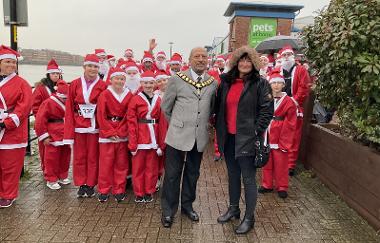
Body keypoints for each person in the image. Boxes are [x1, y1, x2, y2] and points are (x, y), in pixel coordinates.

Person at [214, 45, 273, 234]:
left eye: (248, 60)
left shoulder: (260, 83)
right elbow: (218, 107)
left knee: (248, 178)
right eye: (242, 60)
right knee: (232, 175)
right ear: (236, 62)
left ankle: (249, 217)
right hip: (229, 138)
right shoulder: (226, 82)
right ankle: (233, 209)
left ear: (254, 63)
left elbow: (266, 111)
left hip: (247, 139)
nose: (245, 63)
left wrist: (255, 132)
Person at [160, 47, 218, 228]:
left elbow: (213, 109)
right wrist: (178, 124)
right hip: (177, 135)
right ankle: (168, 211)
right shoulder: (177, 79)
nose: (201, 59)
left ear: (208, 60)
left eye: (204, 56)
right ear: (190, 59)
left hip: (199, 137)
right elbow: (166, 108)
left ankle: (187, 206)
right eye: (197, 56)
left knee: (192, 174)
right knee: (171, 175)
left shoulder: (212, 83)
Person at [63, 54, 107, 198]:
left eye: (95, 66)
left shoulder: (103, 85)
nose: (92, 69)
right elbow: (69, 107)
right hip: (79, 124)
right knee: (79, 157)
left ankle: (90, 184)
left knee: (93, 156)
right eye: (90, 66)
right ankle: (81, 183)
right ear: (84, 67)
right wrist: (68, 132)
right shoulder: (75, 84)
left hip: (95, 125)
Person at [0, 45, 32, 208]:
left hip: (13, 131)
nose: (12, 65)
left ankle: (8, 194)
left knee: (10, 166)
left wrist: (6, 123)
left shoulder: (22, 84)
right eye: (7, 62)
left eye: (14, 63)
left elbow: (24, 107)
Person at [97, 67, 133, 203]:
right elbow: (101, 115)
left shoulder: (129, 95)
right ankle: (104, 190)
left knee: (121, 164)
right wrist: (110, 132)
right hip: (107, 134)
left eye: (122, 79)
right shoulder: (104, 94)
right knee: (105, 164)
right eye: (117, 78)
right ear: (111, 80)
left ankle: (119, 189)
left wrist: (121, 131)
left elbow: (129, 115)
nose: (119, 81)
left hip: (122, 134)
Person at [259, 69, 297, 199]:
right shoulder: (265, 98)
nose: (276, 85)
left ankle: (282, 186)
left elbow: (291, 122)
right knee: (267, 161)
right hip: (267, 134)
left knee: (281, 163)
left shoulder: (289, 102)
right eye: (273, 83)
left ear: (283, 85)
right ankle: (267, 184)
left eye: (278, 83)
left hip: (280, 135)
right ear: (269, 85)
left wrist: (284, 139)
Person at [127, 71, 163, 203]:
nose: (148, 85)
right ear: (141, 83)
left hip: (154, 136)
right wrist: (133, 143)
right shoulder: (135, 99)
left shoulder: (158, 99)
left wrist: (160, 143)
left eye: (151, 83)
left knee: (151, 168)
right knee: (138, 168)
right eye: (146, 82)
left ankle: (149, 191)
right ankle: (139, 192)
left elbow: (162, 121)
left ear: (154, 84)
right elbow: (131, 121)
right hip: (140, 136)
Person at [279, 45, 311, 176]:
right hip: (280, 106)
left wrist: (294, 101)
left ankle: (290, 164)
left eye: (288, 54)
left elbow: (304, 87)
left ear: (293, 56)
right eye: (284, 55)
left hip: (294, 106)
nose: (286, 57)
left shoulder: (301, 70)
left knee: (294, 136)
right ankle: (279, 161)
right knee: (279, 134)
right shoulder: (278, 70)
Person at [35, 80, 71, 190]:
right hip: (52, 133)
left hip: (65, 133)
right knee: (51, 158)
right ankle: (51, 179)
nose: (65, 100)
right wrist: (44, 136)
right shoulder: (48, 102)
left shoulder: (69, 102)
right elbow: (40, 120)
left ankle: (62, 175)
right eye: (64, 98)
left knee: (65, 155)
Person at [32, 59, 62, 172]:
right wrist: (41, 120)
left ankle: (57, 170)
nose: (55, 75)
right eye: (53, 74)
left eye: (57, 74)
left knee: (58, 150)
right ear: (48, 74)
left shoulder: (61, 87)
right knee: (45, 149)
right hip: (44, 124)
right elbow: (35, 107)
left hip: (58, 124)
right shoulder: (40, 88)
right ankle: (46, 170)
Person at [154, 71, 170, 191]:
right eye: (159, 81)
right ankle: (157, 177)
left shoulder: (173, 93)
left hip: (171, 125)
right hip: (158, 127)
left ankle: (169, 179)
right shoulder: (154, 95)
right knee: (158, 153)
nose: (162, 83)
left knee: (170, 154)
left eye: (164, 80)